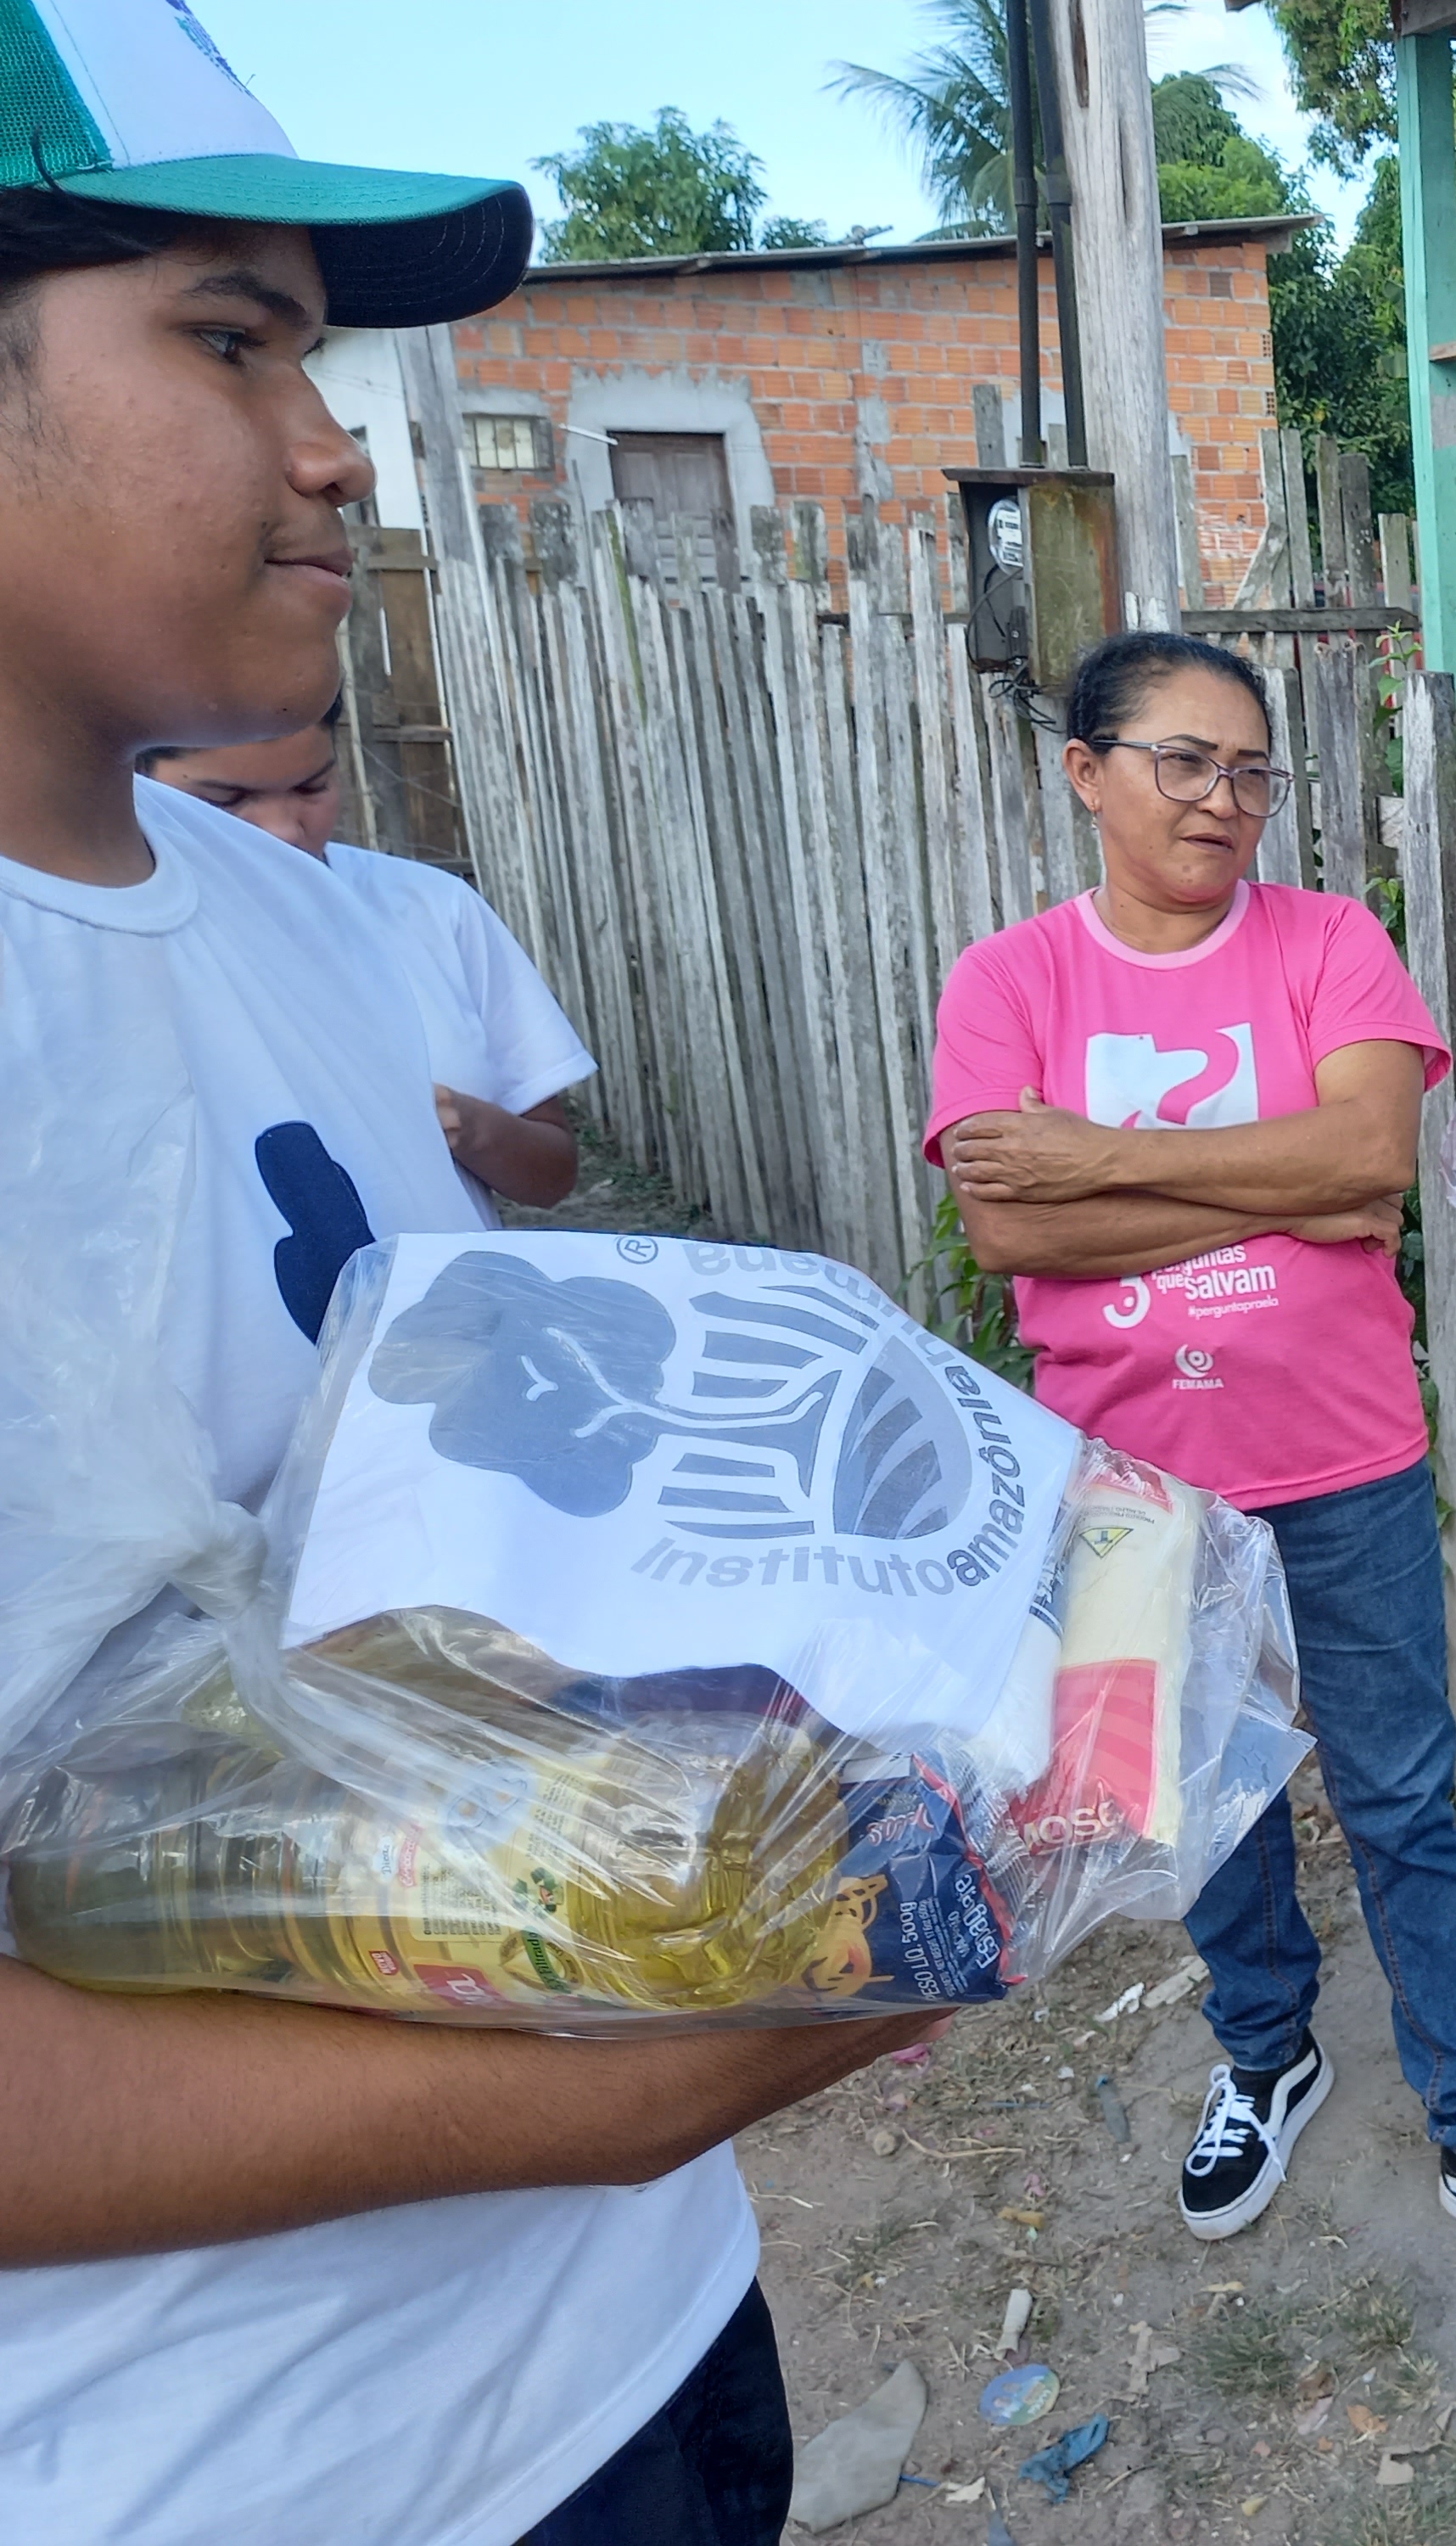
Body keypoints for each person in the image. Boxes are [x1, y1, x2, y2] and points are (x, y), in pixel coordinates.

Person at [0, 13, 943, 2544]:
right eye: (227, 336)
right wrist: (634, 2072)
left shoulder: (306, 922)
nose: (333, 441)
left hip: (630, 2335)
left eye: (316, 349)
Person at [930, 629, 1456, 2289]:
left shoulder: (1329, 943)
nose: (1222, 799)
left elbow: (1368, 1160)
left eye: (1249, 770)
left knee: (1397, 1791)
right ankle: (1266, 2057)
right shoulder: (1010, 983)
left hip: (1340, 1454)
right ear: (1086, 772)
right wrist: (1281, 1185)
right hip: (1124, 1472)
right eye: (1182, 761)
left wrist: (1099, 1165)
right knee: (1203, 1794)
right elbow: (994, 1216)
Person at [143, 698, 591, 1214]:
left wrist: (464, 1125)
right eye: (228, 799)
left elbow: (552, 1175)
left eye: (313, 788)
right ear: (136, 781)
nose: (284, 830)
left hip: (436, 1294)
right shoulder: (106, 945)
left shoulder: (432, 908)